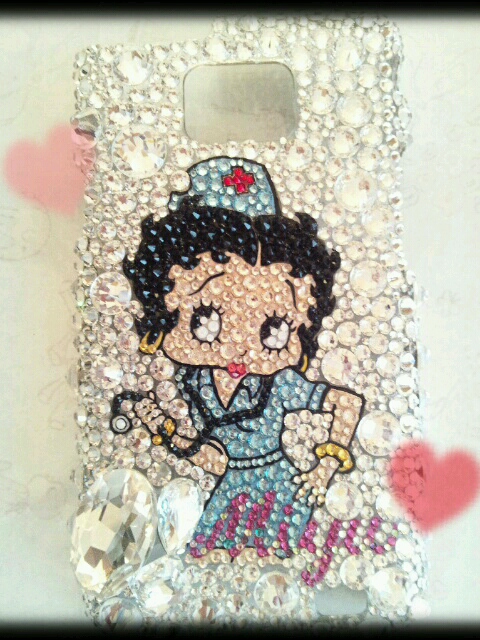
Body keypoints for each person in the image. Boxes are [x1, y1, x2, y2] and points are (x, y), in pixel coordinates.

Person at [111, 157, 364, 560]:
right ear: (162, 308)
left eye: (274, 329)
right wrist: (167, 432)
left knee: (271, 554)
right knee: (209, 555)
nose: (241, 350)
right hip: (231, 490)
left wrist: (325, 467)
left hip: (282, 495)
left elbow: (347, 402)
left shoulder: (278, 385)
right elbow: (216, 459)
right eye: (205, 321)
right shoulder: (195, 383)